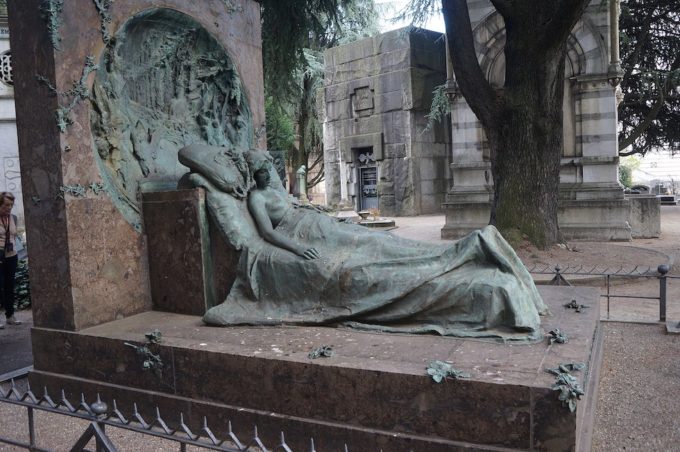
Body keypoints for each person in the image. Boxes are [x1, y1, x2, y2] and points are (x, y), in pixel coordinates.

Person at [180, 146, 548, 342]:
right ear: (252, 173)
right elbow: (266, 234)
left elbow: (296, 204)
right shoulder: (256, 198)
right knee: (372, 259)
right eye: (260, 169)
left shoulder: (274, 189)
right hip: (302, 235)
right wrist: (296, 249)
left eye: (267, 167)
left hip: (320, 224)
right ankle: (463, 253)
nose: (267, 173)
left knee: (378, 241)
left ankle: (467, 248)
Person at [0, 192, 20, 328]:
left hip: (12, 256)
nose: (9, 208)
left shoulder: (14, 218)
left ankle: (10, 316)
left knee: (9, 286)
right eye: (6, 205)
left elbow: (14, 236)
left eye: (11, 205)